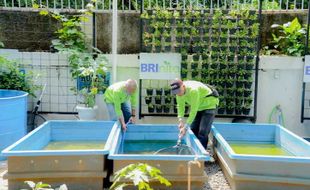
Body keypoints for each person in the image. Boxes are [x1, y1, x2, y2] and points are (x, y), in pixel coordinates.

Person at [170, 79, 219, 149]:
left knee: (202, 132)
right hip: (199, 106)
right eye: (176, 92)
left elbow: (193, 110)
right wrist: (181, 121)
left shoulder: (193, 90)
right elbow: (180, 106)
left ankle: (202, 155)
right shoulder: (178, 93)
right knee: (193, 129)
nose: (179, 94)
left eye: (179, 91)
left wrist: (185, 127)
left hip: (209, 105)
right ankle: (193, 150)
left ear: (183, 86)